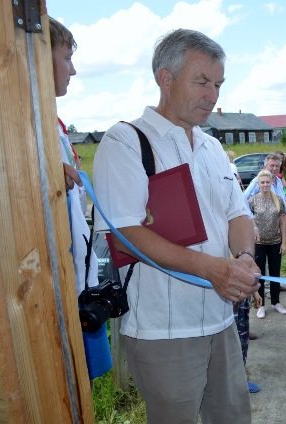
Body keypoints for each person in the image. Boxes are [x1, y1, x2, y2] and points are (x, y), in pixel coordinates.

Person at [93, 29, 260, 423]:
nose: (212, 95)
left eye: (218, 84)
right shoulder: (126, 142)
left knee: (233, 417)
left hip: (220, 319)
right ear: (165, 78)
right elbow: (125, 235)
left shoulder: (213, 147)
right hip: (163, 330)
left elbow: (238, 214)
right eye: (202, 82)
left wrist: (244, 258)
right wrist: (212, 269)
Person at [49, 16, 112, 381]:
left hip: (77, 274)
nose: (72, 70)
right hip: (53, 285)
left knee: (83, 375)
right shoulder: (20, 126)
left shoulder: (54, 124)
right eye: (66, 58)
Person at [249, 170, 286, 318]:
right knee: (259, 274)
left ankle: (276, 302)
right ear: (258, 184)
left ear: (271, 182)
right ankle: (260, 305)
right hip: (259, 243)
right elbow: (248, 219)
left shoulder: (278, 200)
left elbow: (282, 222)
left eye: (267, 182)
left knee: (275, 273)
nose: (265, 185)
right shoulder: (252, 201)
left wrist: (284, 242)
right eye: (262, 182)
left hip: (275, 242)